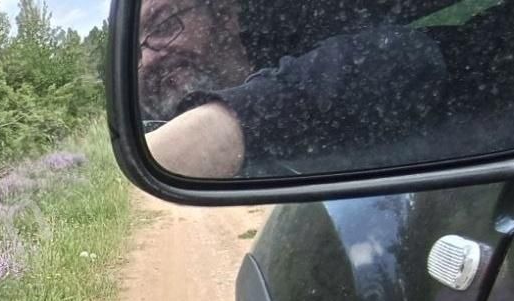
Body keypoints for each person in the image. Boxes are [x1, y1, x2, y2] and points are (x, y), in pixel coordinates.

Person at [140, 0, 449, 178]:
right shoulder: (142, 119)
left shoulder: (317, 62)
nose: (149, 58)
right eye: (133, 52)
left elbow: (407, 57)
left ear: (226, 14)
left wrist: (226, 125)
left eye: (164, 25)